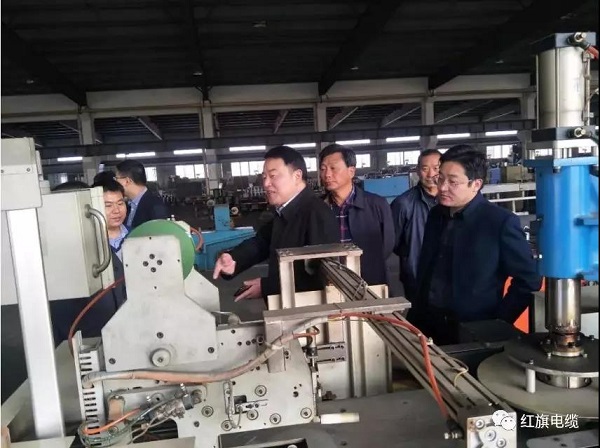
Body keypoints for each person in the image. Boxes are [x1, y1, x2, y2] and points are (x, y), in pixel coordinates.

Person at [412, 144, 541, 345]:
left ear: (476, 184)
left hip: (473, 331)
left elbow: (528, 279)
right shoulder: (436, 215)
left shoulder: (499, 222)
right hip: (428, 324)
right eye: (441, 178)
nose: (443, 187)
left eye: (453, 182)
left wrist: (498, 322)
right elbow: (426, 268)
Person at [213, 146, 340, 302]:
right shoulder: (286, 210)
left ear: (297, 176)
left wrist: (268, 286)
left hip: (308, 311)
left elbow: (321, 277)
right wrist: (234, 259)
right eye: (264, 177)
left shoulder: (317, 214)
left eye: (273, 176)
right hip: (287, 306)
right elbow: (261, 243)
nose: (266, 183)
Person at [319, 144, 394, 286]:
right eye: (323, 169)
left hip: (369, 283)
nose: (327, 174)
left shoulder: (377, 205)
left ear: (351, 171)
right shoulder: (317, 208)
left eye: (333, 168)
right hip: (330, 284)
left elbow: (387, 246)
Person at [390, 149, 441, 301]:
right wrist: (410, 254)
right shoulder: (403, 203)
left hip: (448, 276)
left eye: (436, 168)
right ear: (418, 171)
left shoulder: (452, 201)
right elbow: (394, 242)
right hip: (416, 277)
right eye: (425, 169)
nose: (431, 174)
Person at [115, 160, 169, 229]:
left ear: (127, 181)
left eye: (116, 178)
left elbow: (160, 232)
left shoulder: (155, 206)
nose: (115, 182)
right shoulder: (128, 205)